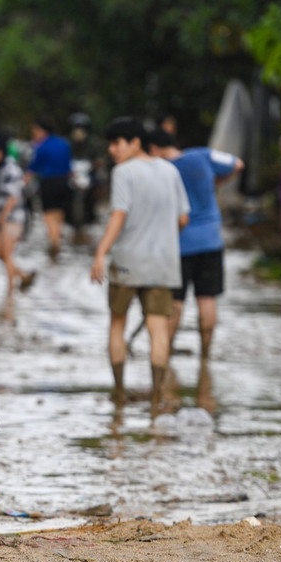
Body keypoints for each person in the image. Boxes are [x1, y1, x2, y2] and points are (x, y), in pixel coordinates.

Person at [90, 117, 190, 407]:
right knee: (159, 329)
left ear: (135, 143)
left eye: (117, 143)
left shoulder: (124, 172)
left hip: (128, 262)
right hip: (164, 263)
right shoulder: (171, 170)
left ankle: (120, 394)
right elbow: (183, 218)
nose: (112, 150)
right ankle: (157, 398)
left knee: (117, 323)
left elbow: (118, 215)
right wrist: (163, 238)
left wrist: (100, 252)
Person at [147, 129, 244, 359]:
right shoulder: (203, 155)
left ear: (153, 148)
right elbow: (238, 164)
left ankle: (165, 352)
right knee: (207, 299)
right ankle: (205, 356)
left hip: (178, 244)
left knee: (176, 301)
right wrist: (215, 183)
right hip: (211, 240)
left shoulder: (161, 169)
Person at [0, 134, 35, 295]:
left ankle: (10, 293)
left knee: (7, 254)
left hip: (13, 217)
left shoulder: (12, 169)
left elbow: (14, 196)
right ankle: (23, 276)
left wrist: (3, 215)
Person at [27, 117, 73, 261]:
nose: (34, 133)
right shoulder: (64, 144)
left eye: (35, 130)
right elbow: (69, 166)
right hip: (64, 182)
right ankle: (57, 239)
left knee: (48, 214)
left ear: (42, 130)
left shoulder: (41, 146)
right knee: (59, 212)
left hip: (49, 183)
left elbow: (33, 167)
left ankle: (54, 243)